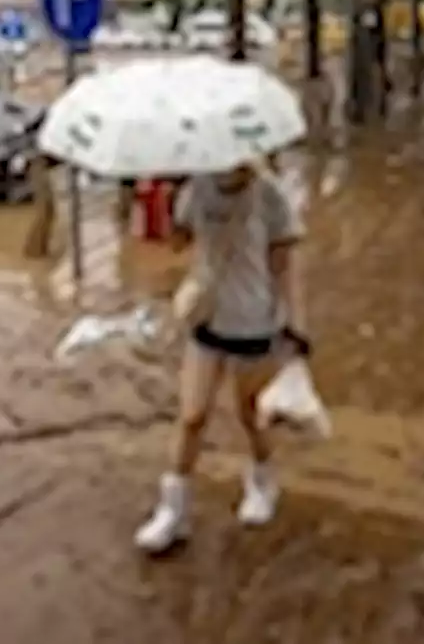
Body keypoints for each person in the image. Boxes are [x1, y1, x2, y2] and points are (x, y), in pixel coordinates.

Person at [134, 158, 308, 554]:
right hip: (208, 317)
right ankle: (173, 511)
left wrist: (296, 328)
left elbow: (285, 267)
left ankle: (262, 480)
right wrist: (166, 205)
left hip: (255, 323)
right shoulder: (198, 187)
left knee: (249, 414)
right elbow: (178, 243)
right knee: (192, 416)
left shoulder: (270, 195)